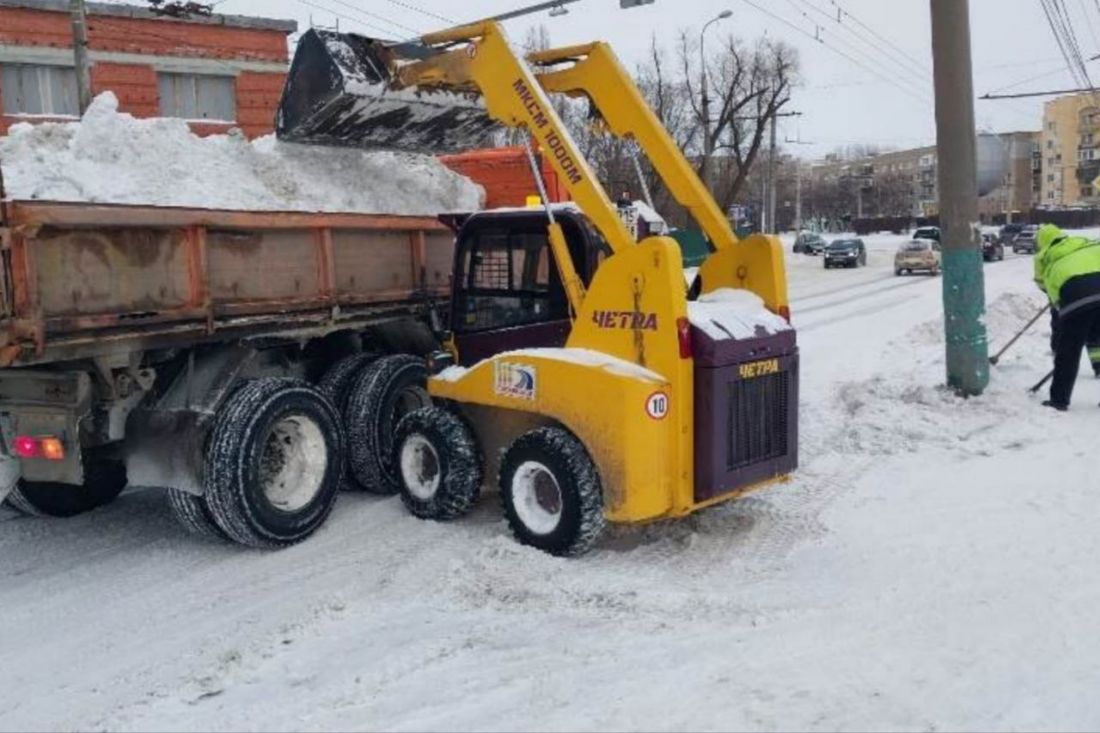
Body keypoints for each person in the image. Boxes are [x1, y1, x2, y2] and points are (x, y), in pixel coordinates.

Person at [1034, 224, 1100, 410]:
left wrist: (1061, 309)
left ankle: (1059, 401)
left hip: (1076, 299)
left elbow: (1049, 292)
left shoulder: (1044, 259)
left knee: (1069, 352)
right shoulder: (1084, 243)